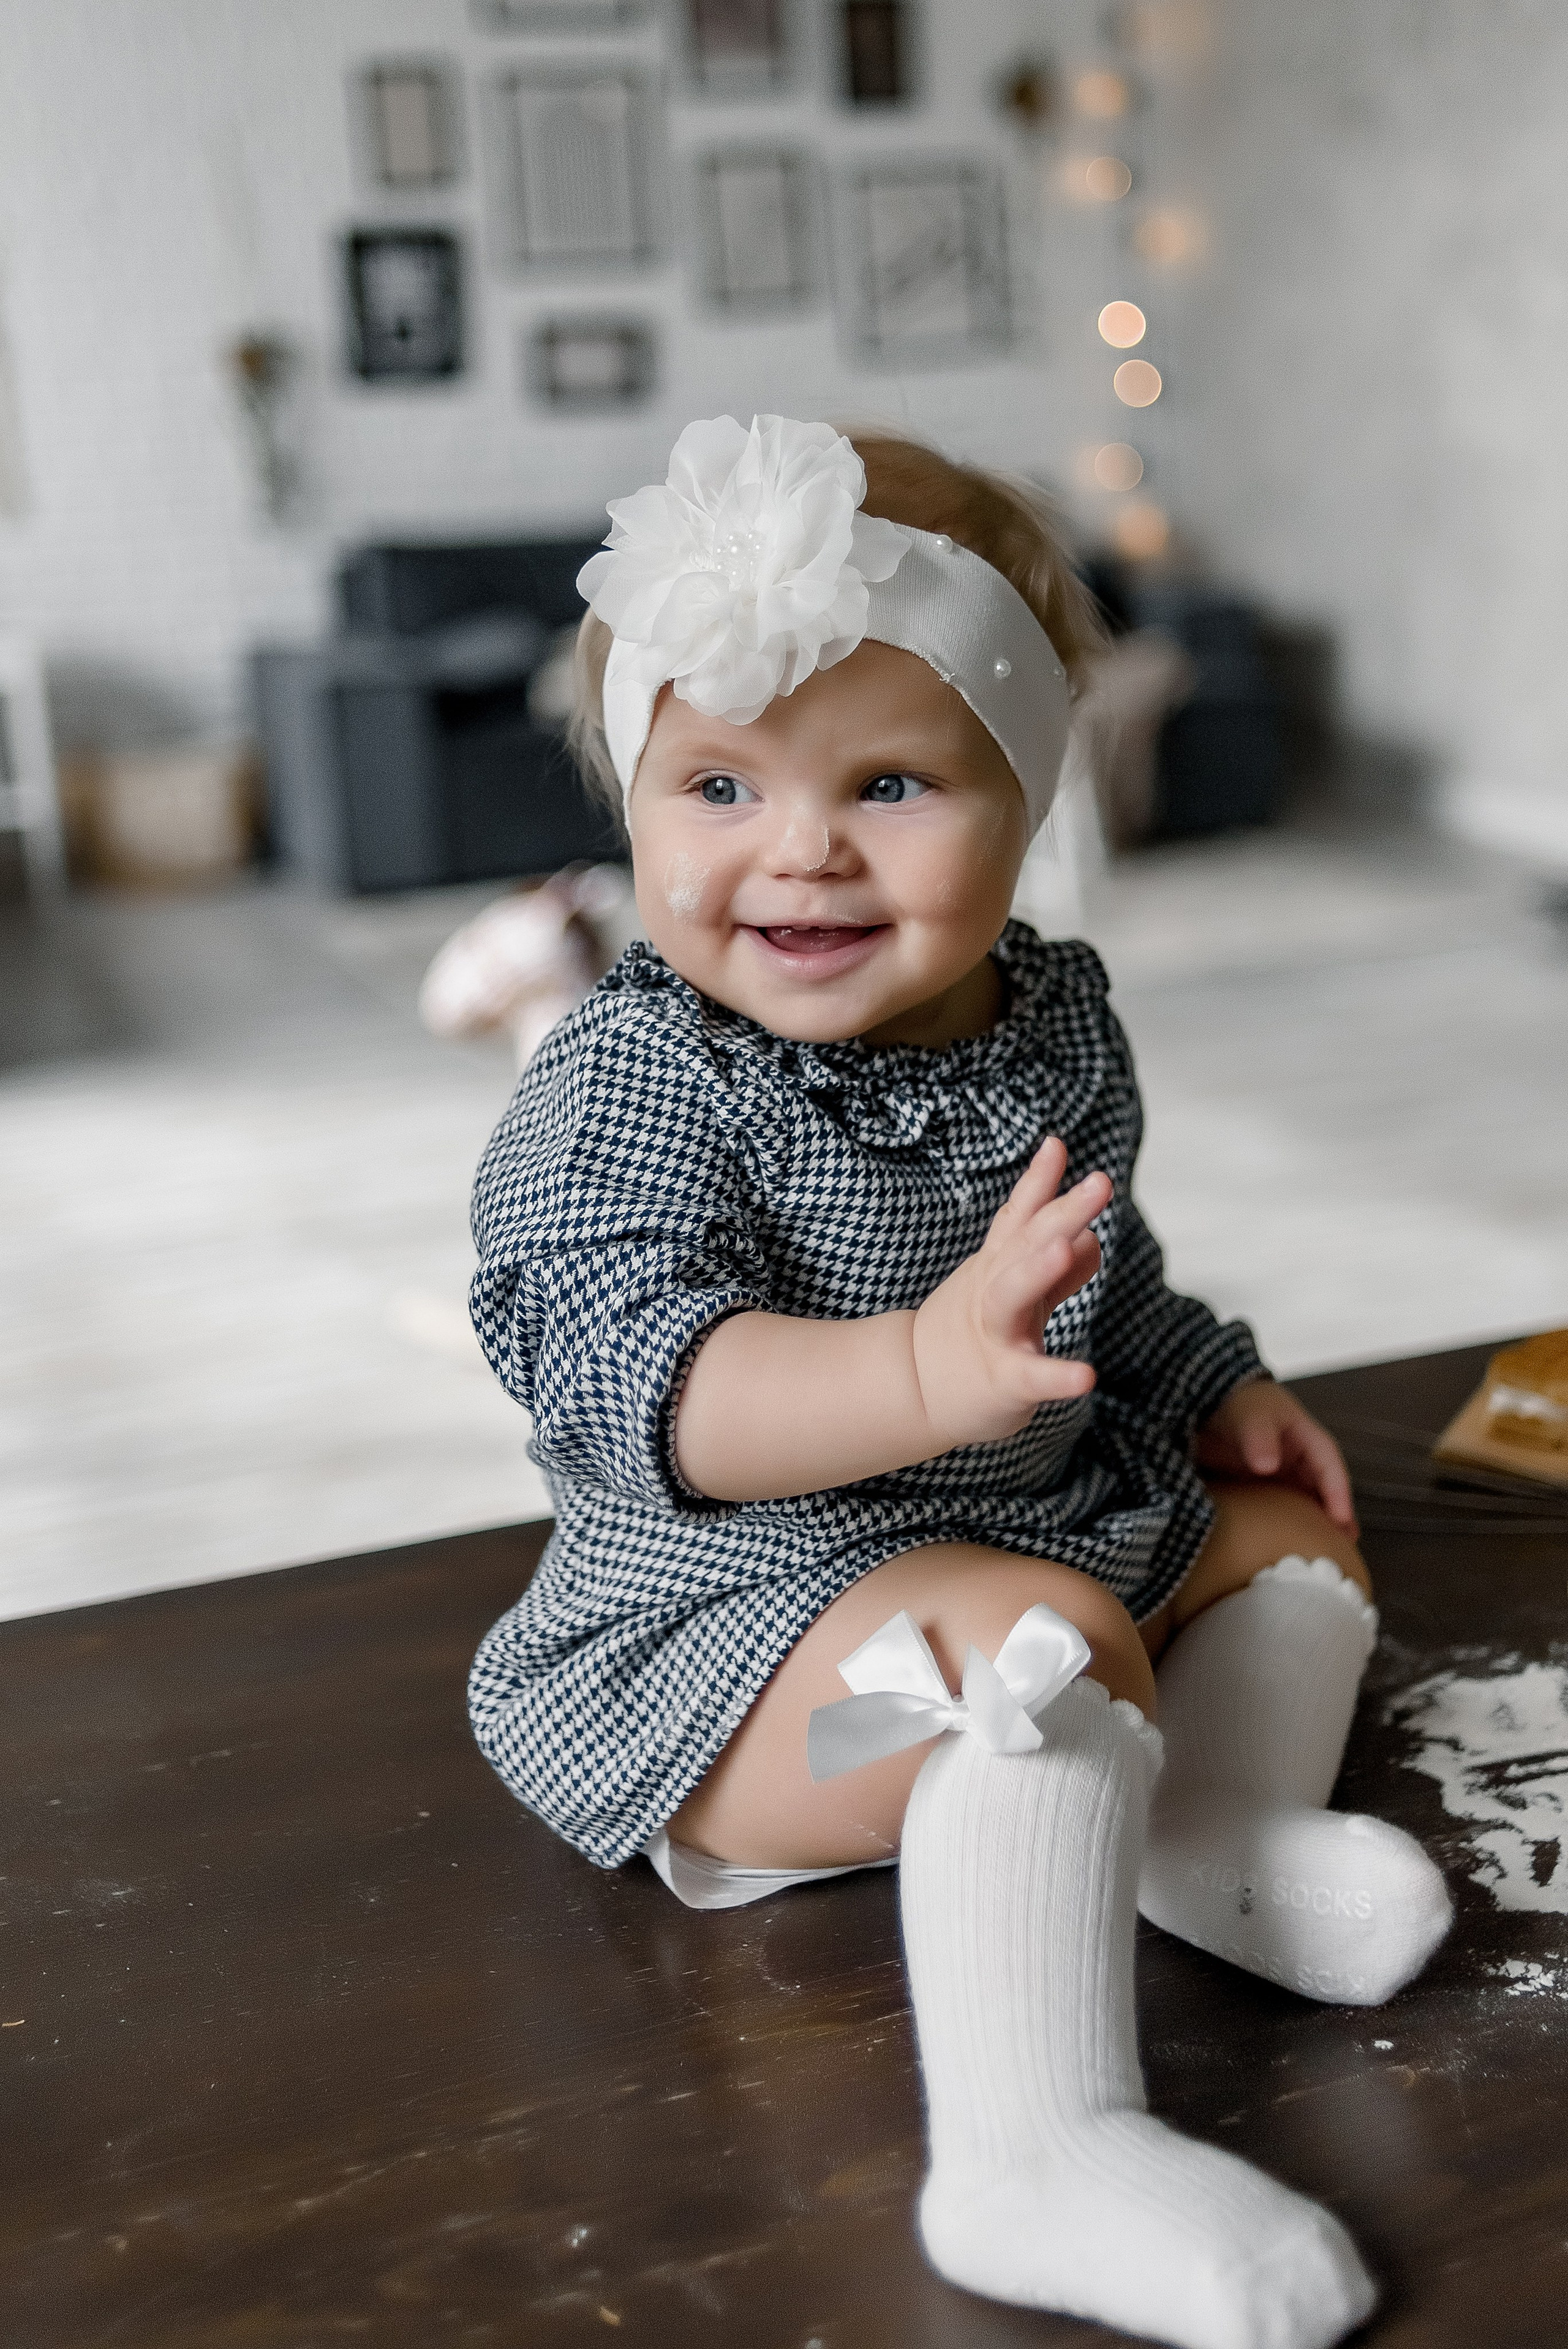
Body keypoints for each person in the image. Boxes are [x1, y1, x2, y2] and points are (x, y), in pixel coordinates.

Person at [467, 416, 1452, 2349]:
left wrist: (1205, 1371)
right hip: (746, 1652)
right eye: (719, 783)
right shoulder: (631, 1092)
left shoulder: (1048, 1023)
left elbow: (1103, 1262)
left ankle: (1208, 1835)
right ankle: (1037, 2142)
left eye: (894, 782)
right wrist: (927, 1364)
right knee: (1049, 1647)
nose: (802, 848)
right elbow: (660, 1400)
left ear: (1030, 799)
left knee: (1285, 1530)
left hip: (1016, 1526)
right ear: (635, 799)